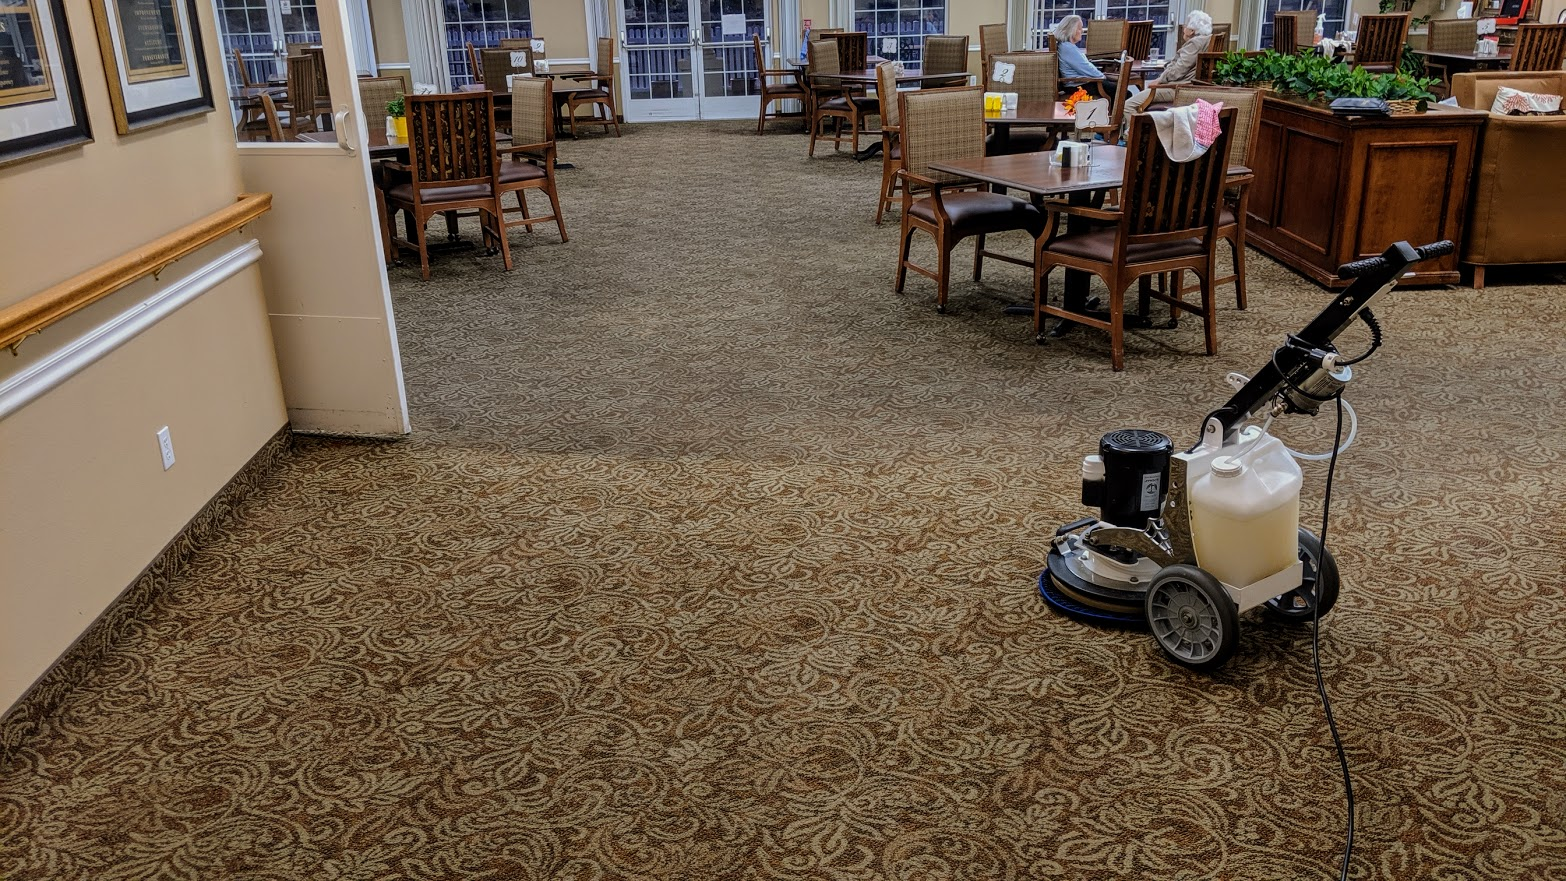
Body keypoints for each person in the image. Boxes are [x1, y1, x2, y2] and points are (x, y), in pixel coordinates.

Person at [1124, 9, 1213, 115]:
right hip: (1187, 86)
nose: (1183, 28)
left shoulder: (1195, 43)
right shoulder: (1207, 40)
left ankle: (1139, 125)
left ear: (1192, 31)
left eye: (1185, 26)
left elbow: (1178, 71)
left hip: (1178, 89)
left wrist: (1159, 80)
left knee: (1127, 106)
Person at [1051, 15, 1105, 81]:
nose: (1082, 31)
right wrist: (1103, 76)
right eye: (1079, 28)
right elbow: (1086, 68)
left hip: (1086, 81)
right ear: (1071, 30)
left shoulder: (1067, 45)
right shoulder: (1068, 48)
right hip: (1082, 84)